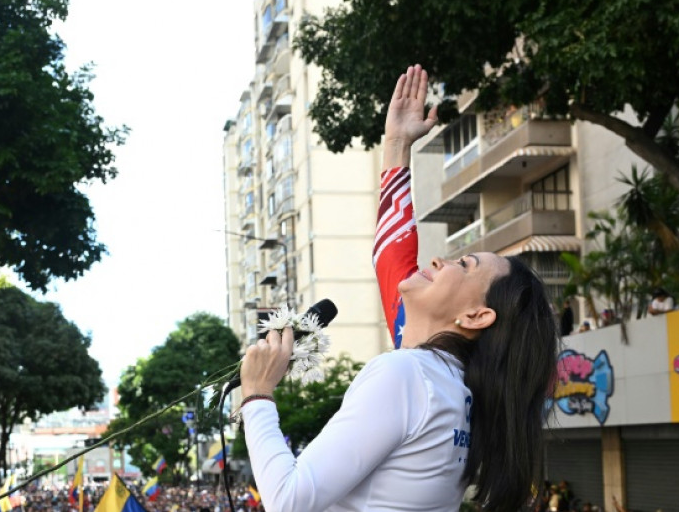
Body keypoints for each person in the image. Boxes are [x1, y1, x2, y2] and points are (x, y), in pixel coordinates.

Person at [239, 65, 558, 512]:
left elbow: (289, 500)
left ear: (475, 317)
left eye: (462, 264)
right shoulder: (457, 389)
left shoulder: (407, 375)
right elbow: (393, 259)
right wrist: (397, 145)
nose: (437, 260)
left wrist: (257, 396)